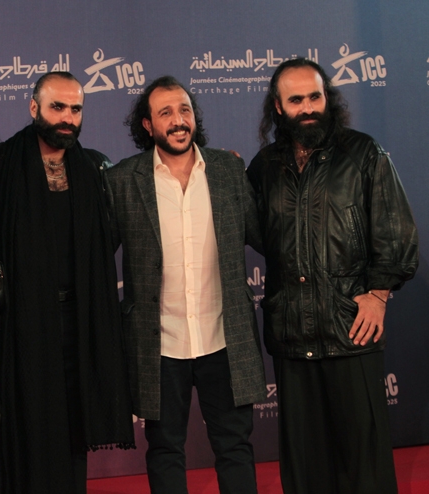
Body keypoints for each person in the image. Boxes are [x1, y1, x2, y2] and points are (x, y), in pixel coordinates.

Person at [247, 58, 418, 494]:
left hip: (351, 330)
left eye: (315, 96)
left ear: (329, 98)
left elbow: (396, 232)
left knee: (364, 465)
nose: (308, 107)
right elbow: (258, 235)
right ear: (278, 107)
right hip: (292, 336)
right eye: (296, 100)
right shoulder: (264, 166)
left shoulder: (364, 154)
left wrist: (378, 295)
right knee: (306, 469)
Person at [105, 75, 267, 494]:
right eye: (166, 113)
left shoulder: (228, 170)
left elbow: (265, 237)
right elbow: (97, 255)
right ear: (147, 125)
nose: (178, 121)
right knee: (164, 449)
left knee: (235, 446)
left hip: (224, 337)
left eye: (184, 110)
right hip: (159, 344)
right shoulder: (122, 180)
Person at [0, 71, 134, 494]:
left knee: (74, 423)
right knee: (27, 421)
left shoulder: (92, 167)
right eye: (58, 107)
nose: (68, 118)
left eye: (76, 109)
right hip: (20, 320)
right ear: (34, 108)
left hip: (79, 317)